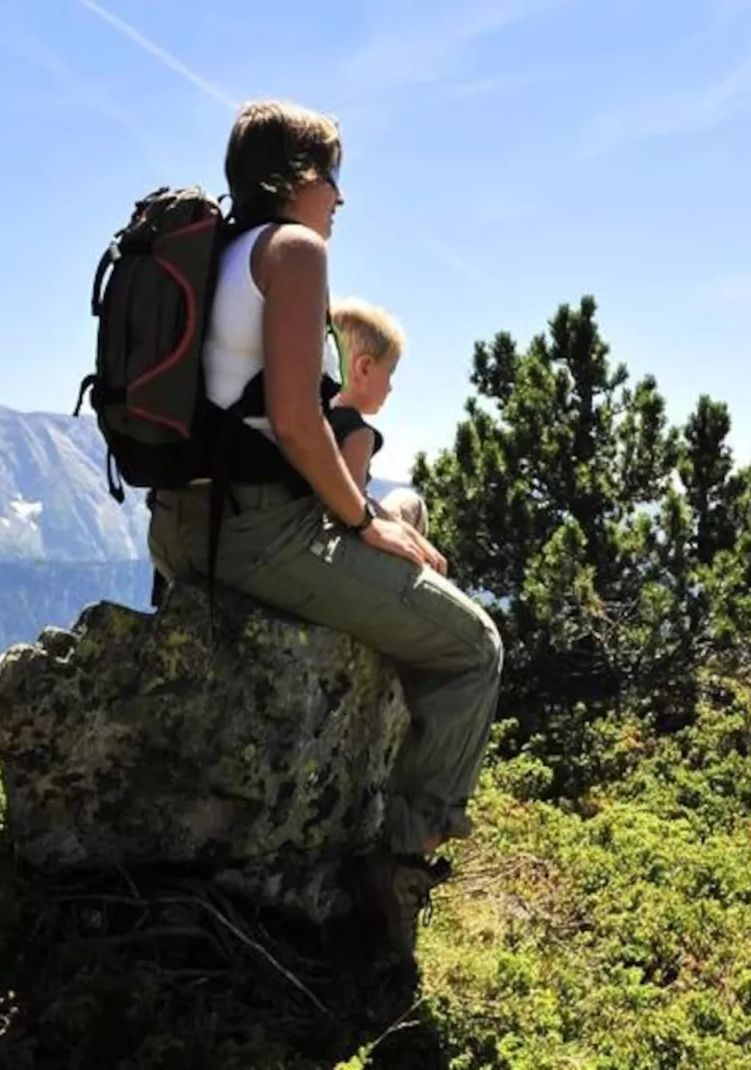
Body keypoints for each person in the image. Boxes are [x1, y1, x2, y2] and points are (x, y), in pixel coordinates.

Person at [144, 99, 502, 956]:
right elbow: (303, 426)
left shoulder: (217, 253)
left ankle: (380, 758)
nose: (340, 197)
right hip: (260, 534)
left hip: (183, 527)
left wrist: (378, 515)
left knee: (404, 512)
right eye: (333, 177)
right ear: (297, 180)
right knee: (472, 649)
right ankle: (401, 858)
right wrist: (359, 522)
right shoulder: (295, 253)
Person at [325, 295, 430, 536]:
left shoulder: (318, 413)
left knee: (408, 500)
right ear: (364, 368)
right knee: (413, 505)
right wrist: (406, 533)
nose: (391, 387)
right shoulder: (358, 434)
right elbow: (351, 507)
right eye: (389, 373)